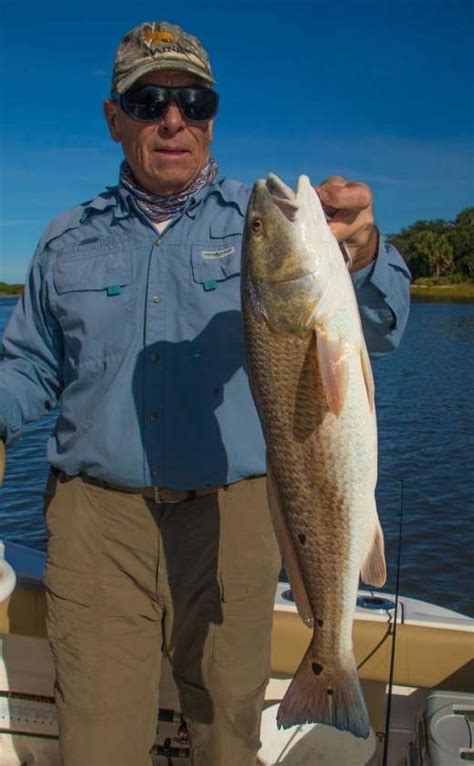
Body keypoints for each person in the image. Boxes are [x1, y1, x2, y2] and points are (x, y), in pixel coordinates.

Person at [0, 20, 411, 766]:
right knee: (95, 738)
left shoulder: (264, 224)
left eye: (194, 100)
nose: (172, 119)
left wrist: (365, 254)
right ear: (113, 115)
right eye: (148, 98)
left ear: (212, 114)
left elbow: (379, 329)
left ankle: (325, 668)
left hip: (238, 520)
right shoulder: (65, 242)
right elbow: (28, 365)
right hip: (97, 527)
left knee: (228, 729)